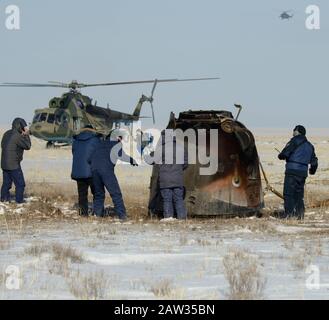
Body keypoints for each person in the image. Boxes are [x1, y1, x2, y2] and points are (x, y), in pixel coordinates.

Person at [91, 131, 138, 220]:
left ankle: (97, 215)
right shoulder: (116, 144)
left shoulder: (100, 143)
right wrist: (132, 160)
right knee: (116, 193)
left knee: (98, 194)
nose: (121, 140)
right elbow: (122, 155)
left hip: (94, 169)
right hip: (106, 170)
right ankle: (122, 216)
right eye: (121, 138)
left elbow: (90, 158)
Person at [278, 125, 318, 220]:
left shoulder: (294, 141)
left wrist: (281, 156)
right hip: (303, 173)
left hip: (292, 171)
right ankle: (300, 215)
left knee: (288, 194)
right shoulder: (310, 145)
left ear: (297, 132)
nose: (293, 132)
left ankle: (289, 215)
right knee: (299, 195)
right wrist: (312, 171)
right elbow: (314, 161)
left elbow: (284, 154)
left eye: (294, 130)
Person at [156, 130, 188, 220]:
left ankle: (168, 218)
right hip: (177, 179)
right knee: (179, 199)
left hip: (164, 180)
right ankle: (182, 218)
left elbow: (156, 162)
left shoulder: (160, 149)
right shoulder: (181, 148)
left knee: (167, 200)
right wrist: (178, 170)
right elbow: (185, 163)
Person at [71, 125, 101, 216]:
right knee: (97, 193)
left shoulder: (75, 140)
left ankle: (83, 214)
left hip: (78, 171)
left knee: (82, 195)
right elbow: (99, 154)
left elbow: (73, 152)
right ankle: (97, 213)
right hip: (91, 171)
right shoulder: (95, 140)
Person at [1, 118, 31, 204]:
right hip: (13, 164)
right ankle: (19, 202)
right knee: (20, 184)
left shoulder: (6, 133)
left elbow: (2, 145)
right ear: (19, 126)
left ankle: (4, 200)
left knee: (6, 184)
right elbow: (28, 146)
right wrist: (26, 135)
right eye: (23, 127)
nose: (24, 128)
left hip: (4, 163)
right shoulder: (17, 135)